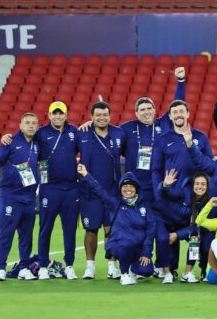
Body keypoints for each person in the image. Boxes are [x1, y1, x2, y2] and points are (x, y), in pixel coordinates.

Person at [117, 66, 186, 205]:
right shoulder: (126, 128)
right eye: (142, 109)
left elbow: (177, 105)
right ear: (136, 113)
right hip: (136, 184)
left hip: (160, 182)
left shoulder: (164, 123)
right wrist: (91, 123)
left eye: (149, 108)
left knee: (160, 215)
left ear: (154, 110)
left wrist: (181, 80)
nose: (146, 112)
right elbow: (108, 132)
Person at [77, 167, 155, 286]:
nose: (128, 189)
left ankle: (131, 269)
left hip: (137, 247)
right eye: (125, 186)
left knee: (146, 270)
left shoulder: (144, 206)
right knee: (127, 243)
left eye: (131, 186)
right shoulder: (115, 203)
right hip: (118, 244)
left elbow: (151, 229)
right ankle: (124, 274)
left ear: (136, 188)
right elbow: (99, 190)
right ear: (120, 188)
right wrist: (86, 174)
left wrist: (146, 252)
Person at [0, 113, 40, 281]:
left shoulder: (38, 144)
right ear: (21, 126)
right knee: (5, 233)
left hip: (29, 197)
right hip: (11, 196)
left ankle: (24, 268)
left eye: (34, 123)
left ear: (37, 126)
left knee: (26, 236)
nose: (31, 126)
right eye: (27, 123)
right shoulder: (9, 142)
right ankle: (0, 268)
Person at [76, 101, 124, 280]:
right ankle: (90, 267)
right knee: (91, 229)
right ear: (91, 117)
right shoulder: (82, 134)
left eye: (105, 115)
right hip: (89, 192)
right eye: (98, 115)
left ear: (110, 116)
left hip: (112, 191)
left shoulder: (119, 133)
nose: (101, 118)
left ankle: (112, 266)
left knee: (111, 229)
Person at [34, 101, 81, 280]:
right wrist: (8, 138)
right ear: (49, 115)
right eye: (55, 113)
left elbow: (86, 145)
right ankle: (43, 266)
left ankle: (69, 266)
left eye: (61, 113)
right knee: (45, 229)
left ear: (66, 115)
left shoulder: (74, 131)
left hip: (71, 189)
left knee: (70, 230)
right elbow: (25, 140)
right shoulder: (41, 133)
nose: (58, 116)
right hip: (49, 188)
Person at [175, 173, 211, 283]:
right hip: (183, 228)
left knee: (204, 242)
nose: (200, 187)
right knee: (195, 238)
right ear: (192, 185)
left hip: (202, 230)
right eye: (197, 184)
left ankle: (204, 271)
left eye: (203, 184)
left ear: (207, 186)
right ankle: (186, 273)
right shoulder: (185, 197)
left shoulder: (209, 200)